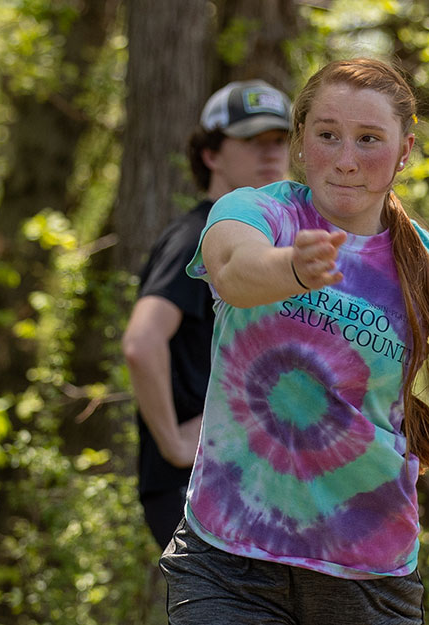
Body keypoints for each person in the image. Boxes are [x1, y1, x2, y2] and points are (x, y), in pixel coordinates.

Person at [157, 58, 429, 624]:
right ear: (300, 142)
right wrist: (293, 268)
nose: (346, 160)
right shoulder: (256, 213)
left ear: (404, 151)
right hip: (227, 558)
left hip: (367, 570)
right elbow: (232, 271)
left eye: (369, 140)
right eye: (327, 135)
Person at [124, 79, 291, 549]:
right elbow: (141, 342)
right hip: (194, 486)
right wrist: (176, 443)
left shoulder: (273, 246)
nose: (270, 153)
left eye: (279, 140)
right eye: (253, 141)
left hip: (248, 480)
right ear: (211, 155)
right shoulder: (199, 234)